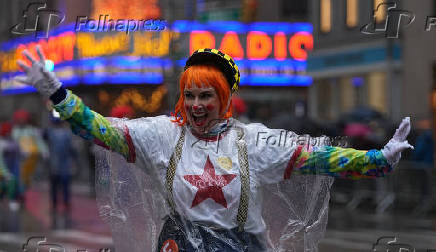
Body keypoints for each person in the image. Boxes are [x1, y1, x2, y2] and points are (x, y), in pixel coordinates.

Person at [16, 46, 413, 252]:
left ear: (223, 99)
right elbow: (100, 130)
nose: (196, 105)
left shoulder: (255, 142)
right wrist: (57, 93)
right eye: (189, 95)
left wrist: (379, 159)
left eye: (206, 95)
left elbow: (319, 158)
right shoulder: (161, 135)